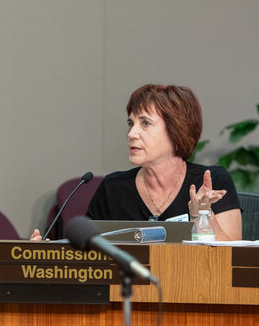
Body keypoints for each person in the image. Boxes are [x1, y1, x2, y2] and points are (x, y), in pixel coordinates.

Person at [32, 84, 242, 241]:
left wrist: (203, 213)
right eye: (131, 124)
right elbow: (89, 256)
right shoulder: (113, 189)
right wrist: (47, 254)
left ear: (177, 131)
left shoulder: (212, 182)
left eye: (145, 123)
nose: (132, 134)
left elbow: (233, 260)